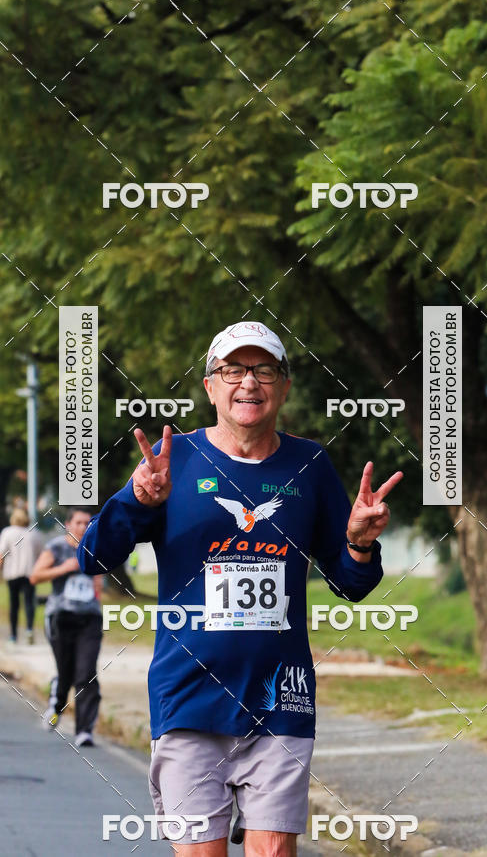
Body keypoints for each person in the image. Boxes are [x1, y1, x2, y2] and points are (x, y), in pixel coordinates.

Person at [78, 321, 403, 855]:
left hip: (281, 698)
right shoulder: (171, 460)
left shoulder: (310, 465)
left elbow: (351, 585)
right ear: (210, 386)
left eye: (264, 370)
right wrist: (138, 503)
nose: (248, 383)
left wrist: (359, 544)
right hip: (188, 699)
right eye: (233, 370)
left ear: (284, 385)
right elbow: (92, 557)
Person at [30, 506, 103, 747]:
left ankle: (84, 730)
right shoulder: (56, 547)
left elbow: (98, 583)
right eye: (79, 522)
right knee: (66, 672)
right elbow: (35, 576)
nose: (83, 527)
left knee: (86, 673)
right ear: (68, 524)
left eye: (87, 523)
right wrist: (65, 568)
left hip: (89, 619)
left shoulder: (94, 548)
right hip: (61, 617)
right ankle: (56, 701)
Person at [0, 507, 44, 645]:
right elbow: (42, 556)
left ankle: (13, 635)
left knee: (14, 605)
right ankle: (29, 630)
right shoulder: (35, 533)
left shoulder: (7, 532)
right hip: (30, 573)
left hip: (12, 574)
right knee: (29, 603)